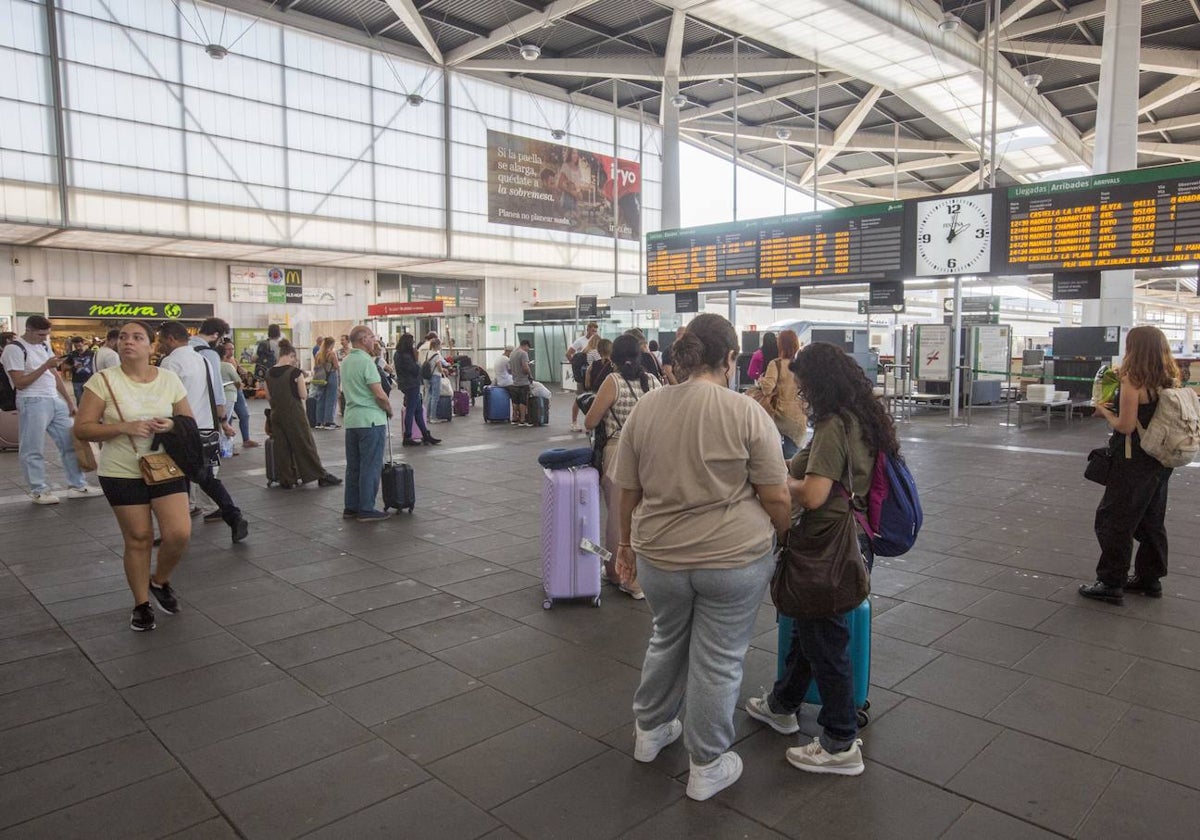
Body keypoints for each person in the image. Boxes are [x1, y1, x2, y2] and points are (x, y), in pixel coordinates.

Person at [612, 314, 790, 801]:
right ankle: (707, 765)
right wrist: (784, 534)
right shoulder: (745, 412)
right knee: (719, 660)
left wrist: (625, 546)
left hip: (661, 559)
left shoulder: (647, 408)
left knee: (666, 639)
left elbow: (624, 488)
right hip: (733, 560)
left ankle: (650, 732)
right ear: (730, 358)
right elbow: (775, 495)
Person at [746, 341, 898, 778]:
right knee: (810, 631)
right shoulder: (861, 419)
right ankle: (783, 705)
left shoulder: (834, 425)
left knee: (825, 641)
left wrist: (774, 481)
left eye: (804, 383)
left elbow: (814, 493)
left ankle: (839, 740)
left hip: (825, 544)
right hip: (847, 538)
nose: (802, 392)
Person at [73, 320, 193, 632]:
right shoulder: (102, 381)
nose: (129, 342)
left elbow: (186, 420)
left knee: (179, 532)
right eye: (124, 337)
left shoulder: (168, 379)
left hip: (163, 464)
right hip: (120, 471)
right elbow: (83, 427)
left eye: (138, 337)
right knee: (138, 539)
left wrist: (169, 425)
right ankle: (141, 604)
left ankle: (160, 580)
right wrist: (123, 427)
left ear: (151, 346)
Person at [1080, 325, 1179, 604]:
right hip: (1161, 458)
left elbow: (1124, 426)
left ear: (1134, 348)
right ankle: (1150, 579)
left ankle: (1110, 582)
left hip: (1132, 460)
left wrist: (1103, 412)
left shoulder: (1132, 379)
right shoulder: (1169, 378)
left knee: (1113, 520)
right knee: (1151, 520)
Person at [584, 334, 661, 596]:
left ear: (614, 358)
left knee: (618, 518)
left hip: (618, 453)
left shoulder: (612, 382)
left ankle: (621, 576)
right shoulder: (652, 382)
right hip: (649, 457)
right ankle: (642, 577)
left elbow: (590, 422)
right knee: (642, 517)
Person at [158, 321, 249, 543]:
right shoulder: (204, 359)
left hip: (180, 429)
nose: (159, 346)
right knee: (207, 477)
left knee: (175, 480)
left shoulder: (170, 363)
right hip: (206, 426)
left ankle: (175, 529)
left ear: (170, 339)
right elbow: (217, 392)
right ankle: (232, 515)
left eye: (160, 341)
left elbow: (163, 399)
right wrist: (222, 421)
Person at [0, 316, 99, 504]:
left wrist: (69, 402)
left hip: (53, 399)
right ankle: (38, 490)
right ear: (28, 330)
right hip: (32, 400)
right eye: (41, 334)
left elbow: (54, 375)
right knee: (32, 447)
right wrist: (45, 365)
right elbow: (20, 383)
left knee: (70, 442)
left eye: (47, 334)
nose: (44, 338)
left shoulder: (43, 346)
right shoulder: (14, 349)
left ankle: (77, 485)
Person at [265, 341, 342, 489]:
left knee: (282, 447)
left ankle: (287, 478)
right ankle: (319, 474)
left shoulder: (269, 373)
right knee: (305, 444)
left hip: (276, 414)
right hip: (294, 414)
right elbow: (304, 395)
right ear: (291, 355)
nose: (295, 361)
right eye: (294, 358)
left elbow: (268, 396)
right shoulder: (295, 372)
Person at [341, 325, 393, 522]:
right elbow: (379, 393)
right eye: (372, 337)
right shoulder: (367, 363)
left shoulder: (345, 362)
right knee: (371, 465)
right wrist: (388, 408)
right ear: (363, 340)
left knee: (354, 466)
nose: (375, 340)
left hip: (352, 420)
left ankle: (351, 506)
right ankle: (366, 508)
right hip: (371, 420)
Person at [756, 329, 806, 459]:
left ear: (781, 345)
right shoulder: (803, 365)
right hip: (798, 416)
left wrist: (761, 380)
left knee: (773, 453)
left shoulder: (776, 364)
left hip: (779, 414)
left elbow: (767, 388)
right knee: (792, 455)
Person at [393, 333, 440, 447]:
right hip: (412, 384)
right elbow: (414, 369)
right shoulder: (406, 356)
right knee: (411, 410)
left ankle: (425, 435)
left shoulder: (397, 354)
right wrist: (417, 362)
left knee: (418, 410)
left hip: (404, 384)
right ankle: (408, 436)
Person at [222, 341, 258, 449]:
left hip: (237, 391)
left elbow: (237, 372)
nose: (231, 351)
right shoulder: (220, 362)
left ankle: (246, 439)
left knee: (244, 415)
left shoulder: (234, 360)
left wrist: (241, 370)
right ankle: (228, 444)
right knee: (227, 419)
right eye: (228, 349)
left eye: (232, 349)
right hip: (227, 392)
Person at [570, 332, 601, 432]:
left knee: (578, 399)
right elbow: (600, 365)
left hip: (581, 379)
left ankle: (574, 422)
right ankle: (589, 424)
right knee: (591, 401)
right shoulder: (595, 353)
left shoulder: (585, 351)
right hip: (590, 380)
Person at [313, 337, 341, 430]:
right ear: (331, 344)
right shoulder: (331, 353)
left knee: (321, 399)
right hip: (331, 376)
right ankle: (329, 422)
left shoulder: (318, 354)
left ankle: (319, 421)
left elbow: (316, 366)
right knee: (331, 399)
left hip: (320, 378)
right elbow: (336, 366)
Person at [423, 338, 451, 424]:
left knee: (430, 396)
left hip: (428, 376)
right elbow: (439, 367)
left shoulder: (428, 353)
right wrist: (444, 372)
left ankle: (427, 416)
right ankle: (433, 417)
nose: (441, 346)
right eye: (440, 345)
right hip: (436, 376)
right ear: (437, 345)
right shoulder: (436, 355)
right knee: (435, 397)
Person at [63, 336, 95, 404]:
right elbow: (65, 366)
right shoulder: (72, 354)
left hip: (89, 380)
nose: (78, 348)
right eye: (75, 346)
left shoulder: (91, 353)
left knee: (90, 401)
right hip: (77, 381)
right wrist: (73, 366)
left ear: (83, 343)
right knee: (79, 400)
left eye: (79, 345)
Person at [509, 339, 533, 426]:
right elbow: (525, 367)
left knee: (515, 401)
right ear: (525, 345)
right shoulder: (523, 353)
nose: (528, 350)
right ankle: (522, 420)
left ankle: (515, 418)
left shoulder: (512, 353)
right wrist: (530, 375)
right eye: (528, 348)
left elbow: (509, 368)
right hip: (523, 382)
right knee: (523, 401)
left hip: (515, 381)